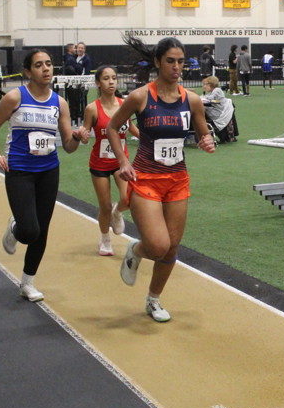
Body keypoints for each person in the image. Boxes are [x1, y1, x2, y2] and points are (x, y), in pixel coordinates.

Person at [106, 35, 216, 322]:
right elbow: (113, 128)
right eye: (170, 61)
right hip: (145, 179)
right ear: (157, 62)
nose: (176, 67)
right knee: (157, 246)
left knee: (172, 247)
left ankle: (153, 299)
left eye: (181, 62)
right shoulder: (141, 96)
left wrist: (207, 141)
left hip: (177, 180)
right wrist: (123, 162)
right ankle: (136, 249)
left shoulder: (192, 100)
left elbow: (203, 133)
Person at [0, 48, 89, 302]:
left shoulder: (59, 103)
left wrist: (77, 137)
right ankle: (16, 227)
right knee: (29, 231)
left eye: (49, 64)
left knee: (42, 231)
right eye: (39, 65)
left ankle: (27, 283)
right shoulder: (14, 97)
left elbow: (68, 146)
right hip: (19, 171)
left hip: (48, 171)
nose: (46, 69)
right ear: (27, 71)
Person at [82, 64, 139, 256]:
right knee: (104, 206)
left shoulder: (124, 104)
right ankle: (105, 240)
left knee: (127, 198)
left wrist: (149, 139)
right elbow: (85, 134)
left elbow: (131, 128)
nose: (111, 82)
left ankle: (117, 212)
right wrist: (82, 136)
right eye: (106, 78)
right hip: (99, 163)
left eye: (114, 78)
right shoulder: (92, 108)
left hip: (121, 162)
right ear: (98, 83)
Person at [200, 75, 237, 142]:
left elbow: (209, 99)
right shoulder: (211, 92)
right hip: (218, 111)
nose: (204, 86)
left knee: (201, 111)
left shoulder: (217, 90)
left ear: (211, 84)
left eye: (206, 84)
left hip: (219, 113)